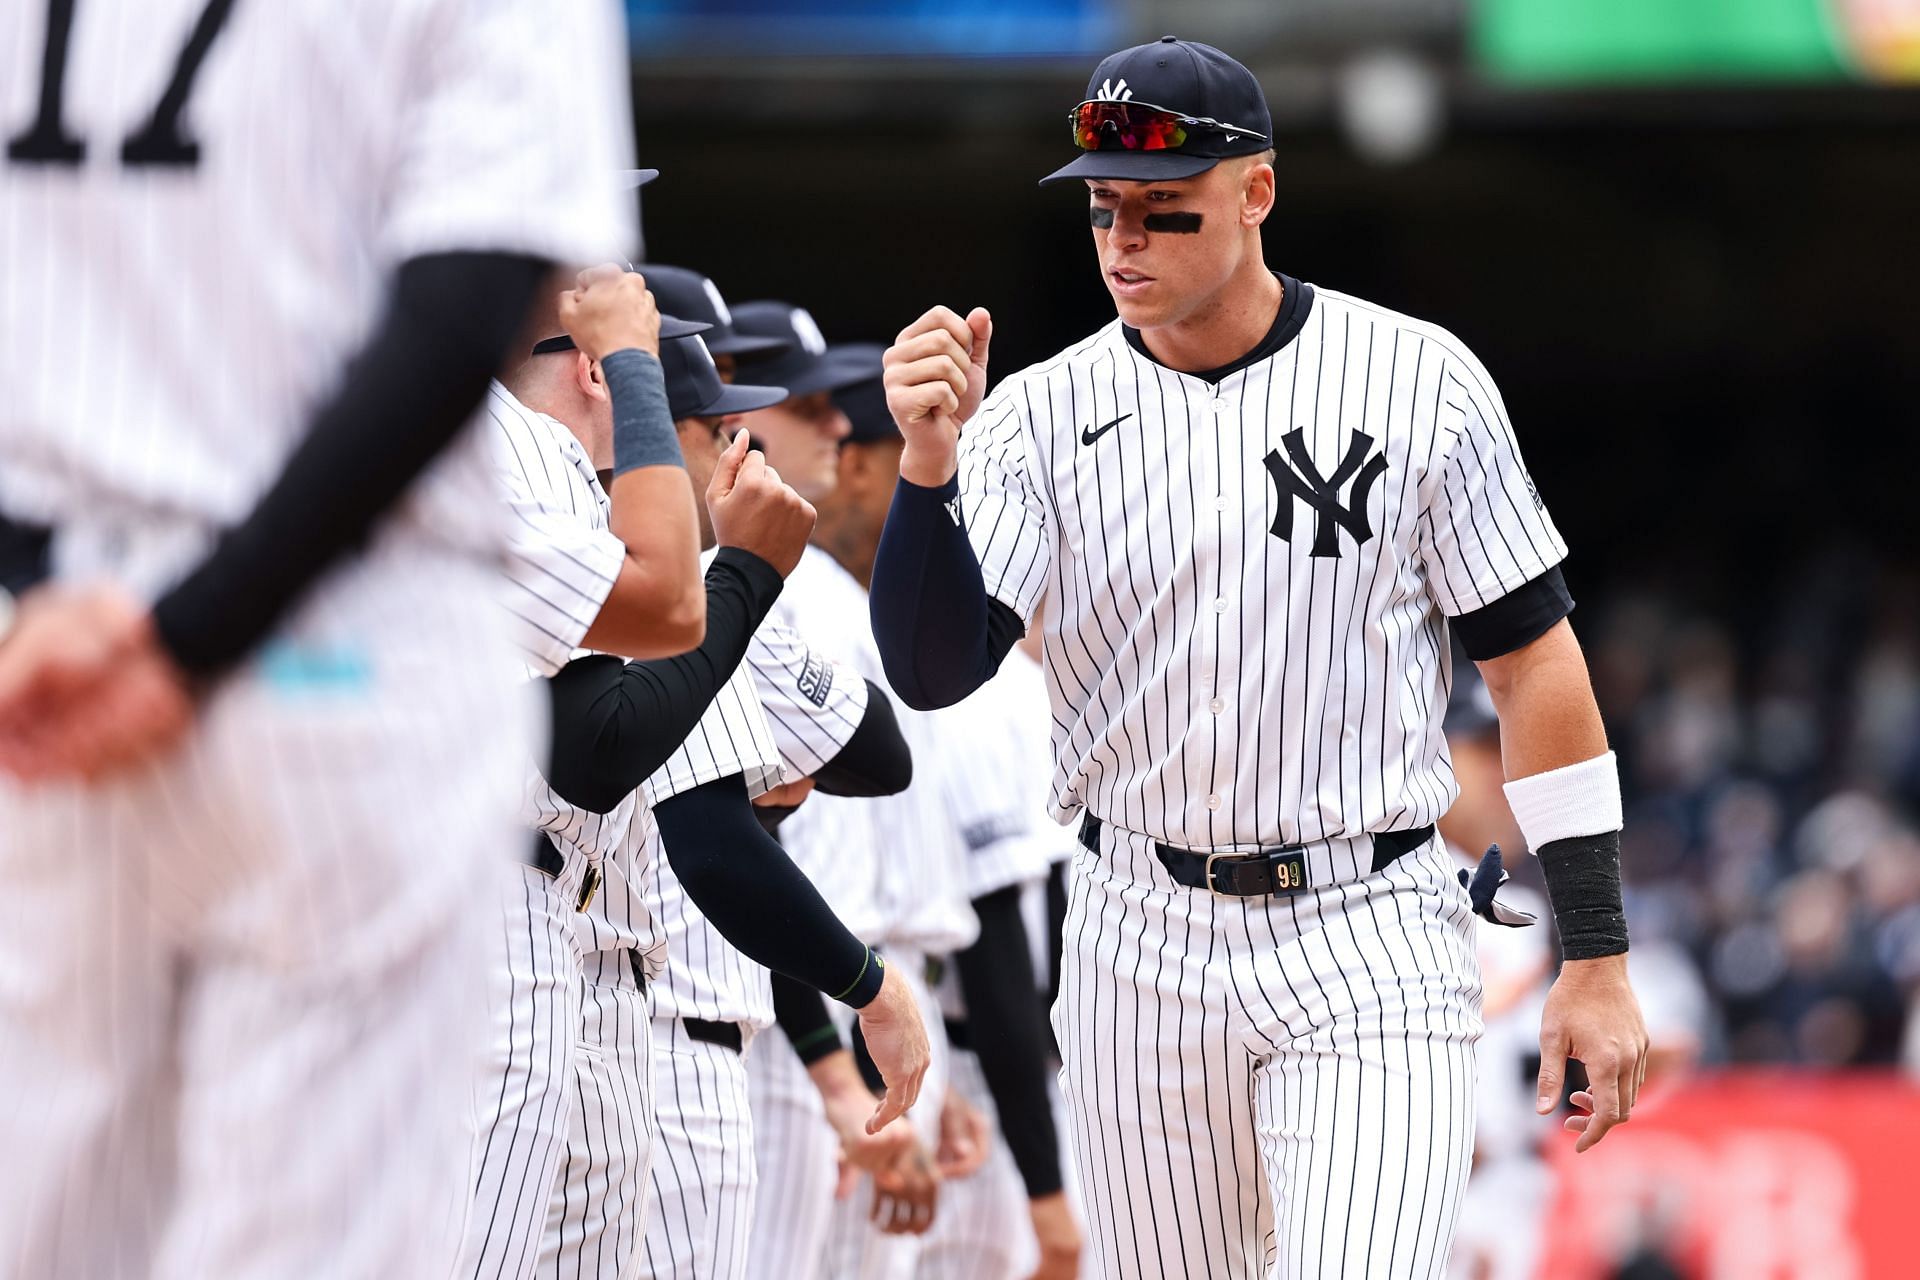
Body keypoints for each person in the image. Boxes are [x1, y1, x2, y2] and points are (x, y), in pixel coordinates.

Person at [867, 36, 1650, 1279]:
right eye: (1102, 209)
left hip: (1368, 920)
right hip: (1139, 925)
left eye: (1161, 213)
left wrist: (1597, 950)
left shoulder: (1418, 379)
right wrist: (923, 470)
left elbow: (1532, 667)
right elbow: (931, 669)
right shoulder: (1035, 418)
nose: (1124, 242)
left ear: (1257, 192)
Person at [0, 3, 660, 1275]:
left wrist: (43, 580)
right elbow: (468, 295)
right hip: (339, 649)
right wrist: (187, 636)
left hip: (60, 647)